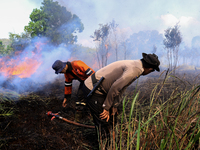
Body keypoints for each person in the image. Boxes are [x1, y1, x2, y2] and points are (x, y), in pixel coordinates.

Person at [78, 53, 160, 148]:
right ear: (150, 69)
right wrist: (106, 107)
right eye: (153, 70)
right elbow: (115, 87)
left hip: (103, 89)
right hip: (93, 88)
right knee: (103, 120)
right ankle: (104, 146)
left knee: (113, 117)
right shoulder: (135, 69)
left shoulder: (137, 65)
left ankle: (112, 142)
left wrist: (115, 105)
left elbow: (122, 88)